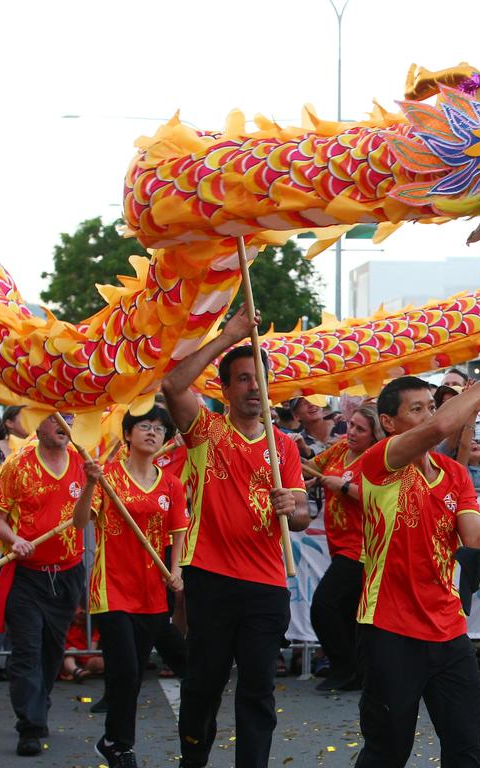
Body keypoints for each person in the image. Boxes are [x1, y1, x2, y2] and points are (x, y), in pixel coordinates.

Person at [161, 305, 309, 768]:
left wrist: (295, 508)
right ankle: (193, 758)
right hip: (211, 579)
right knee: (204, 683)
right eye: (242, 379)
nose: (252, 387)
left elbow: (301, 515)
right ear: (224, 389)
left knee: (258, 688)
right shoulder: (205, 431)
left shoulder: (283, 444)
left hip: (267, 584)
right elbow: (172, 385)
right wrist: (230, 336)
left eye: (258, 378)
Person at [353, 365, 480, 768]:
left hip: (448, 628)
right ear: (388, 423)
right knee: (387, 751)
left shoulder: (454, 474)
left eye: (430, 407)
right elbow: (443, 425)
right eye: (416, 410)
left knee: (465, 747)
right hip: (390, 628)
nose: (428, 417)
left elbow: (473, 539)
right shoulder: (381, 461)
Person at [77, 405, 189, 767]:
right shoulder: (107, 476)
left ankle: (112, 740)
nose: (152, 432)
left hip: (153, 591)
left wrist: (177, 572)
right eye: (144, 425)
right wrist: (91, 482)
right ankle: (121, 745)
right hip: (111, 589)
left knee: (134, 673)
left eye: (159, 428)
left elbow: (179, 533)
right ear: (127, 434)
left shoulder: (170, 484)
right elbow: (80, 521)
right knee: (124, 669)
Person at [0, 414, 90, 757]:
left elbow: (83, 521)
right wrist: (16, 538)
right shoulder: (18, 465)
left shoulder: (82, 461)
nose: (64, 425)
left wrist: (93, 485)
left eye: (68, 418)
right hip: (28, 575)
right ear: (38, 424)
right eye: (55, 418)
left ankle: (40, 703)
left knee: (52, 652)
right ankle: (30, 726)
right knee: (27, 652)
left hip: (68, 573)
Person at [309, 404, 383, 693]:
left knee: (324, 606)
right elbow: (313, 467)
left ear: (374, 434)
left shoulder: (377, 458)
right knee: (348, 612)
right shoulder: (339, 448)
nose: (351, 432)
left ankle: (343, 667)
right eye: (350, 425)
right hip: (338, 543)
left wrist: (342, 486)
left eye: (360, 429)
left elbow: (377, 497)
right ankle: (358, 672)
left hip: (361, 546)